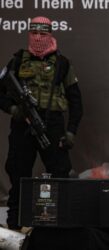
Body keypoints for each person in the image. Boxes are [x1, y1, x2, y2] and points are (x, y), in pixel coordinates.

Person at [0, 16, 83, 230]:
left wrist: (71, 132)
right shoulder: (17, 61)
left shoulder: (62, 64)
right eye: (34, 33)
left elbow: (76, 102)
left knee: (60, 173)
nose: (38, 38)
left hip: (52, 125)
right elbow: (0, 93)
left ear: (51, 35)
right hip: (22, 126)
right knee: (18, 173)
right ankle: (14, 226)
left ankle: (59, 226)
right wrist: (13, 109)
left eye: (43, 34)